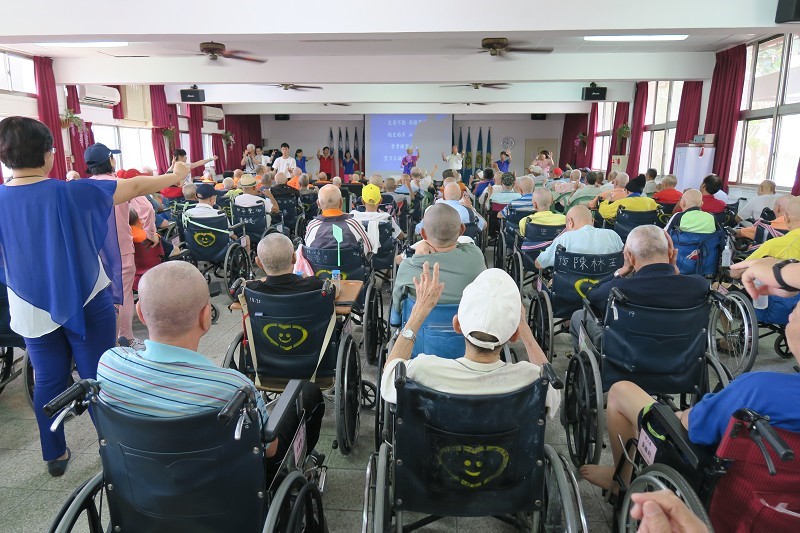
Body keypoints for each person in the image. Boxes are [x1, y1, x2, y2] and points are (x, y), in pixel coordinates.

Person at [0, 116, 189, 476]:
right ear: (48, 154)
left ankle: (54, 455)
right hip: (87, 298)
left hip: (29, 307)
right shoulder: (73, 192)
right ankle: (116, 449)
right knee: (98, 374)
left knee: (48, 379)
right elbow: (134, 186)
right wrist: (175, 175)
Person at [96, 261, 324, 479]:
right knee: (308, 392)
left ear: (140, 313)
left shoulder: (109, 364)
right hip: (224, 488)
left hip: (139, 484)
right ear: (206, 318)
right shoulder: (234, 389)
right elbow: (270, 449)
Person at [580, 273, 800, 493]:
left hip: (709, 477)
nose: (793, 311)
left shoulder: (759, 389)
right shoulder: (699, 285)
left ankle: (620, 478)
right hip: (776, 498)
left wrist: (681, 415)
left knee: (620, 391)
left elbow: (693, 425)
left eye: (797, 311)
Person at [382, 263, 560, 411]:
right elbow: (552, 389)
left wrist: (418, 313)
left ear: (457, 325)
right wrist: (524, 330)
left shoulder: (422, 371)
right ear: (514, 336)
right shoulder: (532, 380)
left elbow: (389, 375)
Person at [569, 225, 709, 355]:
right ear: (671, 253)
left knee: (578, 316)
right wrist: (674, 270)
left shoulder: (618, 289)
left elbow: (592, 294)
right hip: (682, 357)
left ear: (630, 257)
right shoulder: (698, 285)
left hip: (627, 358)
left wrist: (623, 270)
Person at [391, 204, 485, 319]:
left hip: (421, 328)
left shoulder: (407, 267)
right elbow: (464, 244)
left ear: (423, 234)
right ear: (462, 230)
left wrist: (422, 245)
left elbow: (397, 305)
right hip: (466, 325)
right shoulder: (476, 255)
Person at [729, 196, 800, 325]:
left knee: (719, 288)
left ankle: (731, 336)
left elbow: (736, 273)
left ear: (786, 217)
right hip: (793, 306)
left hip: (778, 308)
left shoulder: (776, 244)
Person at [535, 206, 624, 269]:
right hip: (607, 288)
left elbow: (539, 263)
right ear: (592, 221)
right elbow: (625, 261)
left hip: (571, 288)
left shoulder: (565, 239)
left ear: (570, 222)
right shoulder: (612, 235)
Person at [304, 184, 373, 254]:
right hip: (350, 261)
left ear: (318, 204)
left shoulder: (312, 226)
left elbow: (308, 251)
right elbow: (370, 247)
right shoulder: (354, 224)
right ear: (341, 202)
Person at [351, 184, 405, 249]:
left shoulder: (353, 216)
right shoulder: (386, 217)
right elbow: (401, 236)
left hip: (360, 254)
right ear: (380, 201)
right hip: (384, 254)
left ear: (362, 201)